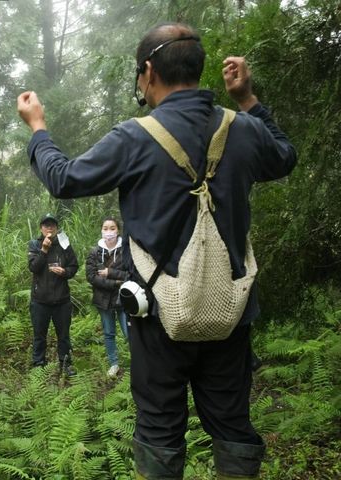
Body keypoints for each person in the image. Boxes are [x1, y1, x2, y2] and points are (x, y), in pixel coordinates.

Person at [18, 22, 296, 479]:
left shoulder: (134, 137)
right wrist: (247, 99)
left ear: (148, 72)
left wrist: (38, 127)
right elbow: (284, 156)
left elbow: (64, 179)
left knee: (160, 429)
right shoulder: (242, 130)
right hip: (230, 314)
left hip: (157, 317)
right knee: (232, 426)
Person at [27, 214, 79, 376]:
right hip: (40, 300)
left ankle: (65, 363)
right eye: (46, 225)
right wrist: (44, 250)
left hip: (61, 300)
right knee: (39, 335)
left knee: (63, 335)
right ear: (41, 228)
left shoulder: (64, 244)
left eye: (52, 225)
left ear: (56, 228)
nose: (49, 228)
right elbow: (33, 268)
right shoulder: (34, 245)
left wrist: (65, 272)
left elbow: (74, 266)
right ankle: (38, 364)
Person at [85, 218, 129, 378]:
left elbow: (130, 274)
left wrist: (110, 274)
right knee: (109, 333)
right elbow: (91, 276)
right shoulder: (95, 252)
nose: (109, 231)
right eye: (105, 228)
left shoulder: (126, 250)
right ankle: (114, 364)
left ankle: (137, 363)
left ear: (118, 230)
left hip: (123, 298)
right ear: (101, 230)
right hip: (103, 300)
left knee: (129, 333)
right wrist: (115, 282)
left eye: (112, 228)